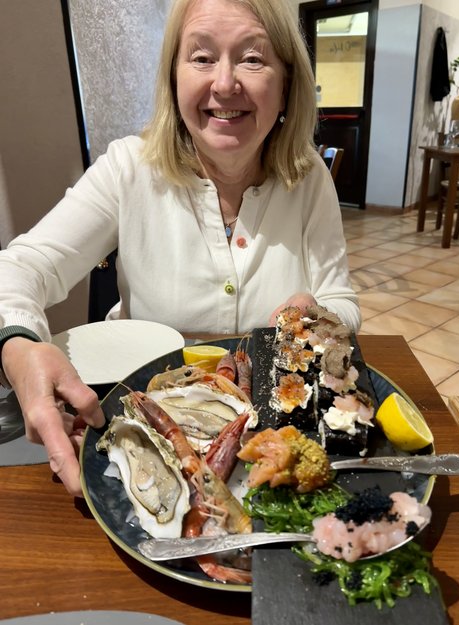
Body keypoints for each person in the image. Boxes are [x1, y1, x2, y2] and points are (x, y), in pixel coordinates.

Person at [0, 0, 361, 496]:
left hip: (269, 445)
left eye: (253, 58)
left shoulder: (309, 176)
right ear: (174, 77)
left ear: (287, 84)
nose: (225, 83)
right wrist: (17, 346)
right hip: (145, 439)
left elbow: (343, 302)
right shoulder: (127, 168)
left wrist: (316, 314)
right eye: (201, 57)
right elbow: (21, 267)